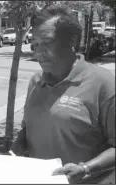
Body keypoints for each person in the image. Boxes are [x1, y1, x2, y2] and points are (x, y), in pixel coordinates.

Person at [11, 5, 115, 184]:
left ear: (72, 41)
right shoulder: (35, 82)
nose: (38, 53)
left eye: (47, 43)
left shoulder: (103, 84)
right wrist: (21, 141)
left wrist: (85, 169)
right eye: (34, 45)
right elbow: (31, 128)